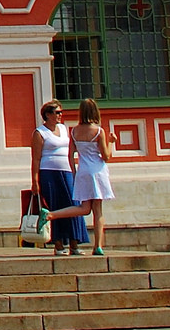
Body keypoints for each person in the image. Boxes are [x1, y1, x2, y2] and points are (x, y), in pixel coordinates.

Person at [44, 99, 114, 255]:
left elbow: (70, 154)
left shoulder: (74, 131)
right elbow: (106, 156)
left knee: (84, 208)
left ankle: (52, 214)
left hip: (82, 171)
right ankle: (98, 246)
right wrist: (111, 142)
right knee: (98, 211)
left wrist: (74, 172)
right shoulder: (98, 131)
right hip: (97, 171)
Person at [33, 102, 86, 256]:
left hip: (67, 171)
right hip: (49, 173)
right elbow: (36, 158)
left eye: (61, 112)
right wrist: (35, 181)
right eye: (57, 112)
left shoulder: (63, 129)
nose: (60, 115)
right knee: (55, 206)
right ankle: (58, 245)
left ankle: (75, 244)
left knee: (73, 204)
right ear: (48, 115)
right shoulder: (40, 133)